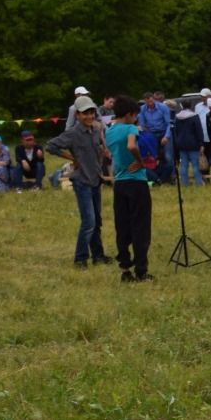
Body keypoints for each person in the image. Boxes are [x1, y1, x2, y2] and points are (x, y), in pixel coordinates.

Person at [44, 97, 112, 269]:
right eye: (85, 113)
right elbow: (51, 146)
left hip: (95, 179)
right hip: (82, 181)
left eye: (91, 112)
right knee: (88, 221)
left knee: (97, 221)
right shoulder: (73, 133)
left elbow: (98, 150)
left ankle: (98, 255)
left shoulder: (96, 130)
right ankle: (80, 259)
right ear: (78, 114)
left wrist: (103, 155)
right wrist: (71, 157)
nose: (89, 116)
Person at [104, 96, 152, 282]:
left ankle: (125, 268)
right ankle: (141, 269)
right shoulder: (130, 128)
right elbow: (132, 145)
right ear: (130, 114)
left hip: (120, 182)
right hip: (136, 182)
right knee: (140, 226)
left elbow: (110, 152)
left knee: (122, 226)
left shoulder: (110, 130)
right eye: (135, 116)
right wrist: (140, 162)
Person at [136, 92, 171, 185]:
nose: (150, 103)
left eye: (151, 100)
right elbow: (142, 125)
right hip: (151, 135)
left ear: (153, 99)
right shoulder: (142, 109)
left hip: (164, 132)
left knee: (168, 156)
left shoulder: (163, 107)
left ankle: (171, 177)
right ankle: (157, 179)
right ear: (145, 101)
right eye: (147, 102)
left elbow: (169, 124)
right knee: (154, 157)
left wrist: (166, 137)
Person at [171, 100, 205, 189]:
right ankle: (198, 183)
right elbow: (199, 131)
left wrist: (177, 142)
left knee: (183, 165)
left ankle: (184, 183)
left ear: (181, 105)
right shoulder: (194, 116)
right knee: (195, 165)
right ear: (191, 106)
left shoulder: (177, 117)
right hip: (193, 144)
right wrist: (201, 143)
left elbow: (176, 131)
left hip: (181, 144)